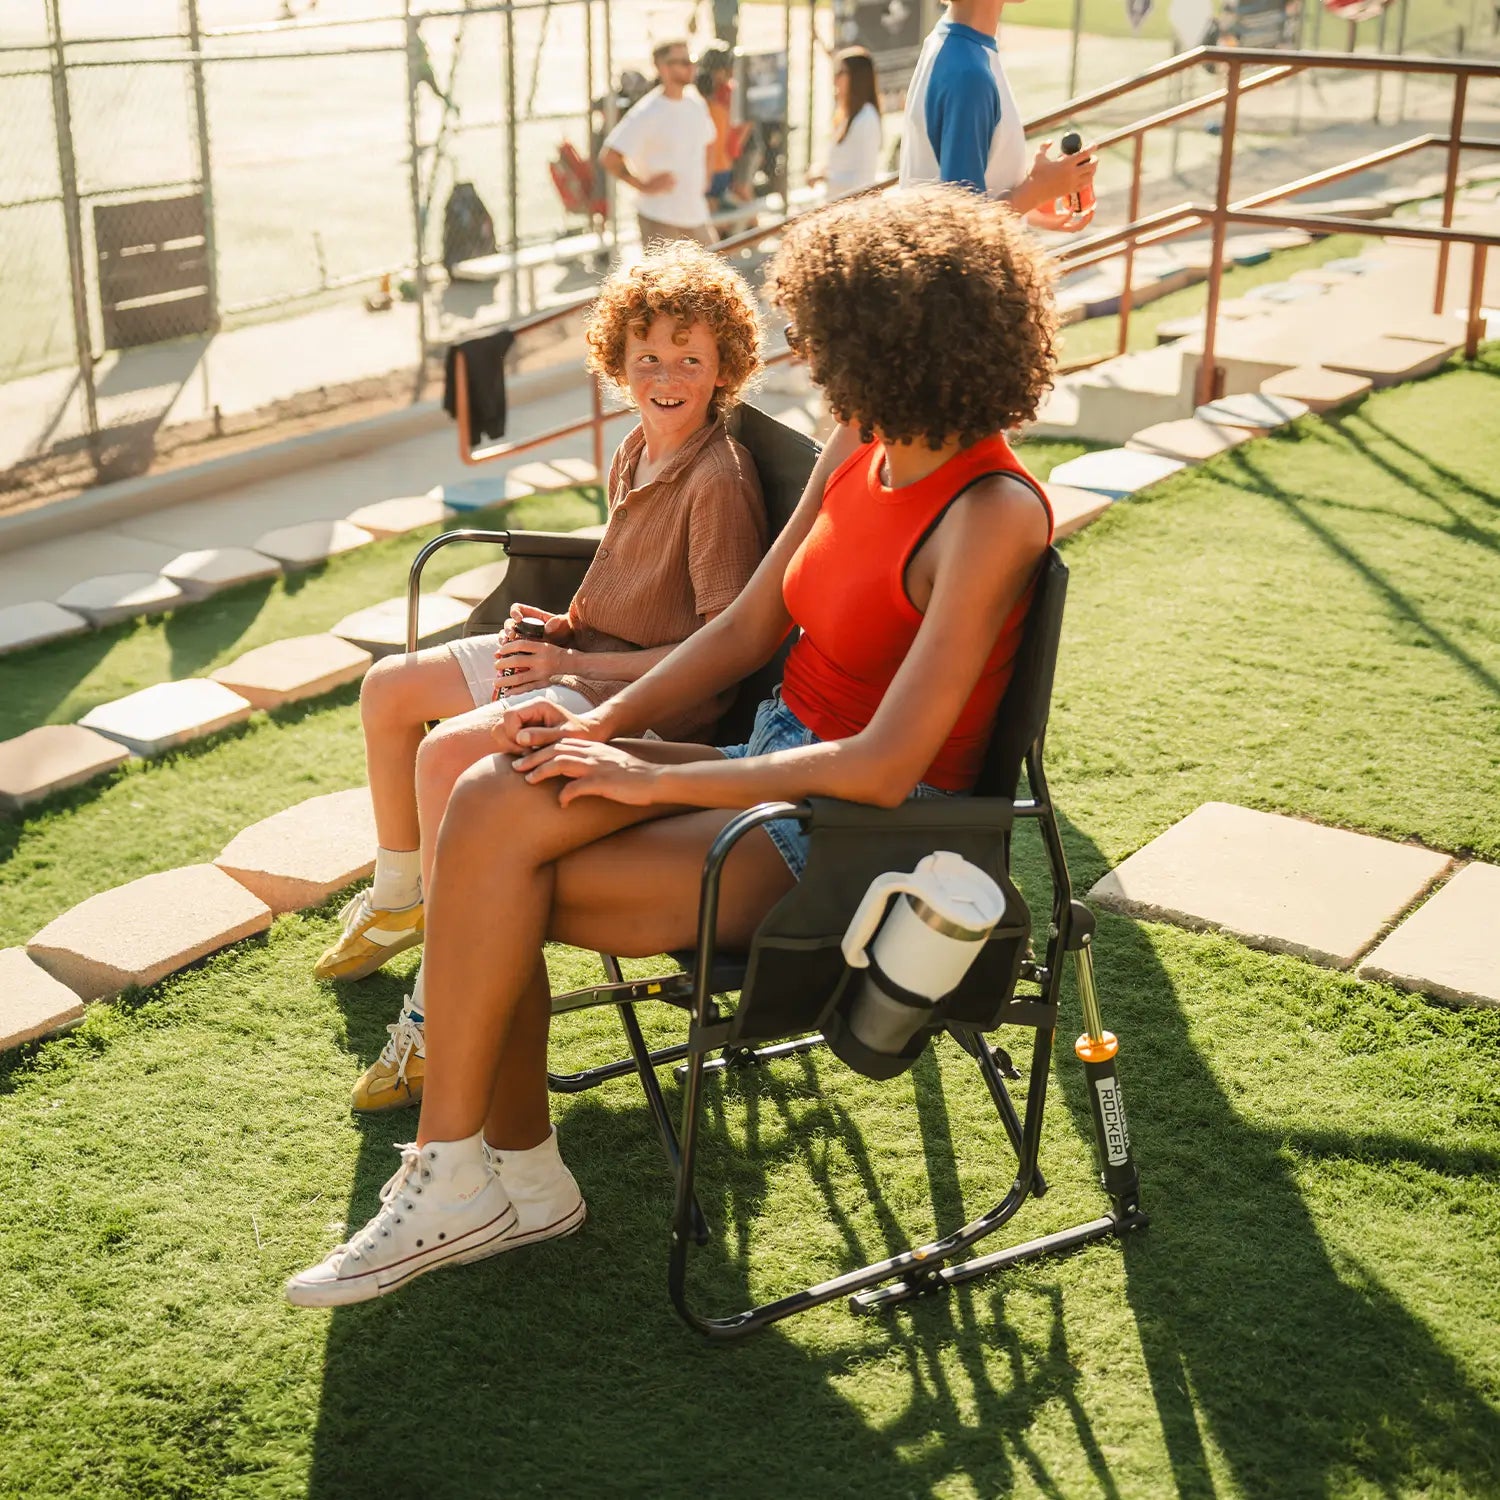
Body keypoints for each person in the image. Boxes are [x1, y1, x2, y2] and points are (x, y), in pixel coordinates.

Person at [285, 185, 1058, 1309]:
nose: (809, 359)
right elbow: (750, 623)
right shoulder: (862, 439)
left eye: (827, 338)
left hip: (848, 835)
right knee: (494, 799)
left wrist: (650, 771)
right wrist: (597, 723)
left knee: (496, 871)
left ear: (897, 346)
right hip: (768, 753)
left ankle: (471, 1178)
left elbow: (887, 764)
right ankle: (508, 1177)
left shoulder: (994, 513)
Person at [315, 243, 767, 1112]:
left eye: (689, 360)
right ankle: (403, 898)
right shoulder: (637, 447)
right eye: (647, 359)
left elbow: (717, 651)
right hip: (580, 655)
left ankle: (434, 1013)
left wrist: (569, 663)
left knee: (447, 755)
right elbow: (629, 583)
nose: (666, 376)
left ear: (725, 368)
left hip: (637, 704)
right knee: (389, 691)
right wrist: (558, 628)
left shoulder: (718, 482)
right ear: (618, 363)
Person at [900, 0, 1098, 232]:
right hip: (957, 267)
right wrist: (1036, 190)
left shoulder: (952, 42)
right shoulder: (969, 74)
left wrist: (1032, 206)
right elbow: (962, 228)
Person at [600, 39, 717, 248]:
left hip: (696, 214)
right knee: (666, 281)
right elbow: (610, 157)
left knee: (716, 274)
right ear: (662, 67)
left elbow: (709, 141)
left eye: (691, 60)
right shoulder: (647, 112)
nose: (691, 67)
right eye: (682, 62)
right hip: (660, 218)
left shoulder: (696, 102)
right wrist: (643, 186)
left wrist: (705, 178)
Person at [809, 47, 884, 200]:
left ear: (857, 77)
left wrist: (825, 177)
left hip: (855, 211)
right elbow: (843, 165)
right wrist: (822, 170)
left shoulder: (867, 118)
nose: (835, 79)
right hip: (838, 206)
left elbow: (864, 181)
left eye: (841, 72)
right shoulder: (847, 115)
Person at [696, 40, 752, 221]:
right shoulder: (709, 98)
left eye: (715, 70)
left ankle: (753, 229)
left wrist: (733, 150)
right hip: (724, 157)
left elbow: (744, 126)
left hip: (743, 150)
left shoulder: (730, 93)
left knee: (742, 189)